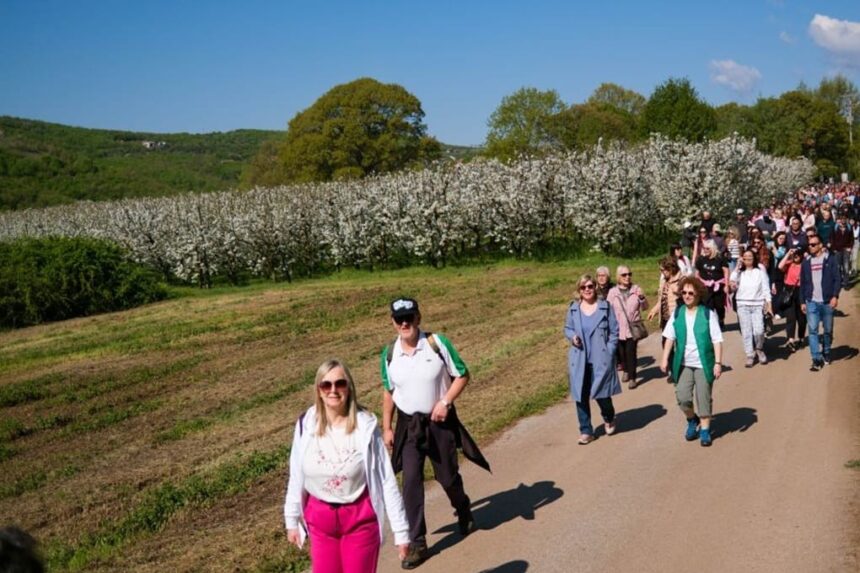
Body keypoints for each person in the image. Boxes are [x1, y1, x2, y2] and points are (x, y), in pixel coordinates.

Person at [381, 298, 488, 569]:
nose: (405, 323)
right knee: (411, 482)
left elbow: (462, 374)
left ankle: (463, 508)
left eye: (409, 317)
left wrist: (445, 402)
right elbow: (389, 390)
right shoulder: (389, 354)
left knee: (447, 477)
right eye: (399, 319)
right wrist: (387, 427)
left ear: (418, 318)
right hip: (409, 427)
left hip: (439, 423)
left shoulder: (436, 343)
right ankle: (417, 542)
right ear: (393, 322)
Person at [284, 359, 410, 573]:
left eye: (340, 384)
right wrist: (291, 517)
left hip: (359, 521)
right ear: (319, 390)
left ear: (349, 388)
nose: (333, 390)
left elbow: (385, 479)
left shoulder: (365, 426)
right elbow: (296, 473)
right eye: (326, 385)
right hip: (320, 522)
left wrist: (401, 531)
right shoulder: (306, 423)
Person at [660, 277, 724, 448]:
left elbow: (717, 340)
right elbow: (669, 337)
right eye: (684, 292)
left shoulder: (707, 314)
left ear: (698, 294)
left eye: (691, 293)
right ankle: (691, 419)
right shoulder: (678, 313)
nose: (687, 296)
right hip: (683, 364)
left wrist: (718, 363)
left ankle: (705, 430)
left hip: (703, 363)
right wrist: (665, 358)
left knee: (703, 398)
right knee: (682, 397)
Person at [564, 275, 622, 444]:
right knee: (580, 395)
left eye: (590, 286)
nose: (587, 290)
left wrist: (609, 351)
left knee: (602, 394)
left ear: (595, 287)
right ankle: (586, 431)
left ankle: (609, 417)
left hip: (600, 359)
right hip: (580, 360)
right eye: (583, 287)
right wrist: (572, 337)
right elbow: (567, 328)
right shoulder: (573, 309)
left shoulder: (605, 307)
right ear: (579, 290)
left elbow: (614, 331)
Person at [800, 237, 841, 371]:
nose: (810, 247)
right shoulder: (806, 262)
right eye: (809, 245)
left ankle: (826, 351)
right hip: (811, 301)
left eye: (813, 244)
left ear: (820, 245)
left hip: (827, 301)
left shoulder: (830, 260)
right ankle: (816, 359)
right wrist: (802, 301)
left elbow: (837, 279)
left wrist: (835, 296)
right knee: (813, 330)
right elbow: (803, 283)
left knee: (827, 330)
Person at [607, 266, 648, 389]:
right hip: (618, 328)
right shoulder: (612, 292)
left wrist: (642, 298)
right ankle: (625, 369)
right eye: (624, 275)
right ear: (618, 277)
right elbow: (608, 310)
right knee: (621, 353)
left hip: (632, 328)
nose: (627, 277)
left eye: (629, 274)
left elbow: (645, 307)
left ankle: (632, 377)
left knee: (631, 352)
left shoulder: (636, 289)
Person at [730, 249, 772, 367]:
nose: (747, 259)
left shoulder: (760, 271)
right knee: (746, 331)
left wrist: (769, 304)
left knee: (759, 330)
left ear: (754, 258)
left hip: (757, 304)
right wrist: (737, 266)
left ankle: (759, 348)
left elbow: (766, 288)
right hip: (742, 304)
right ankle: (750, 354)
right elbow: (732, 281)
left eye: (750, 257)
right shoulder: (739, 272)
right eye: (745, 257)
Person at [648, 257, 683, 382]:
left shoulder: (682, 280)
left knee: (679, 345)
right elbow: (661, 300)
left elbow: (689, 296)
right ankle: (673, 371)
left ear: (670, 269)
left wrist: (679, 292)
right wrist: (654, 310)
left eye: (663, 270)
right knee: (666, 344)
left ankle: (680, 370)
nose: (661, 272)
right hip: (665, 319)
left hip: (677, 318)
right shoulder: (664, 281)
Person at [694, 239, 729, 330]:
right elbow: (697, 273)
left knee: (719, 306)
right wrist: (696, 284)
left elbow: (726, 271)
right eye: (704, 248)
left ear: (712, 248)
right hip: (705, 288)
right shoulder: (701, 259)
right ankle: (710, 325)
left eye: (707, 248)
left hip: (718, 287)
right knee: (708, 306)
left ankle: (721, 319)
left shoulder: (720, 259)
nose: (705, 250)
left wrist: (726, 285)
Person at [778, 247, 806, 351]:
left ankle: (801, 337)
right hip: (789, 291)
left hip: (801, 291)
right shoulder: (789, 263)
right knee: (790, 317)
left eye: (798, 254)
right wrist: (788, 254)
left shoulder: (805, 265)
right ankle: (790, 340)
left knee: (802, 319)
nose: (796, 256)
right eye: (794, 254)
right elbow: (780, 266)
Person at [831, 213, 854, 289]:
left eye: (845, 218)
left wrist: (850, 247)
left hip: (846, 250)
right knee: (838, 267)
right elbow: (832, 238)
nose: (843, 220)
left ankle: (846, 283)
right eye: (842, 218)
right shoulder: (835, 228)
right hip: (837, 250)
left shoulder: (849, 228)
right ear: (840, 219)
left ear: (846, 219)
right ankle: (838, 283)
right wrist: (834, 248)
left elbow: (852, 239)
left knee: (846, 267)